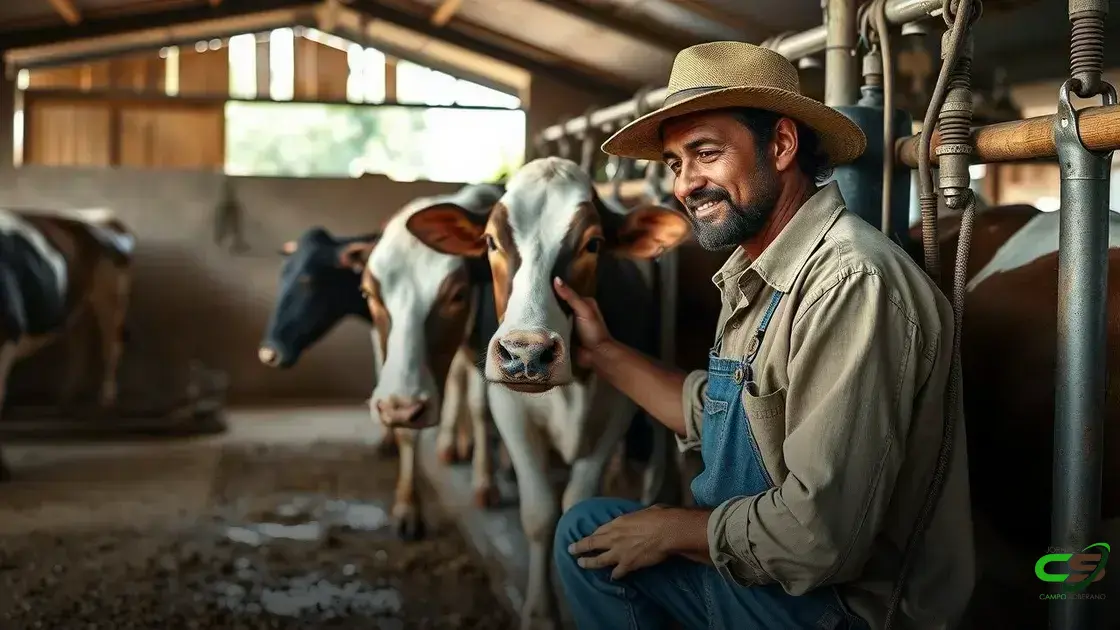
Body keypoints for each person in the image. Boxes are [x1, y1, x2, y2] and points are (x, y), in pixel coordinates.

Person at [550, 41, 975, 630]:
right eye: (675, 163)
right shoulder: (764, 269)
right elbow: (722, 416)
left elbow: (821, 540)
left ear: (780, 146)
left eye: (706, 153)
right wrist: (601, 351)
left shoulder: (850, 282)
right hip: (772, 586)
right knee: (587, 530)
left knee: (593, 539)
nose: (685, 185)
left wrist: (673, 529)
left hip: (839, 609)